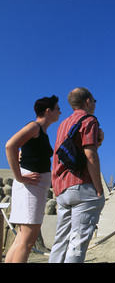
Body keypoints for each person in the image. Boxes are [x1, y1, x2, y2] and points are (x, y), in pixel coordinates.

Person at [49, 87, 105, 263]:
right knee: (77, 244)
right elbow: (90, 155)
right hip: (82, 185)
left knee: (61, 241)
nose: (94, 104)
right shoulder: (89, 120)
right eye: (94, 101)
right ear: (87, 101)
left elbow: (62, 155)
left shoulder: (63, 124)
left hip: (63, 187)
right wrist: (98, 188)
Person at [4, 95, 61, 263]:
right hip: (31, 188)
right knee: (27, 241)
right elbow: (10, 145)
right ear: (48, 111)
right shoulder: (34, 127)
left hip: (33, 187)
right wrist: (19, 177)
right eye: (58, 108)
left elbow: (22, 153)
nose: (60, 112)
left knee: (21, 238)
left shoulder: (41, 131)